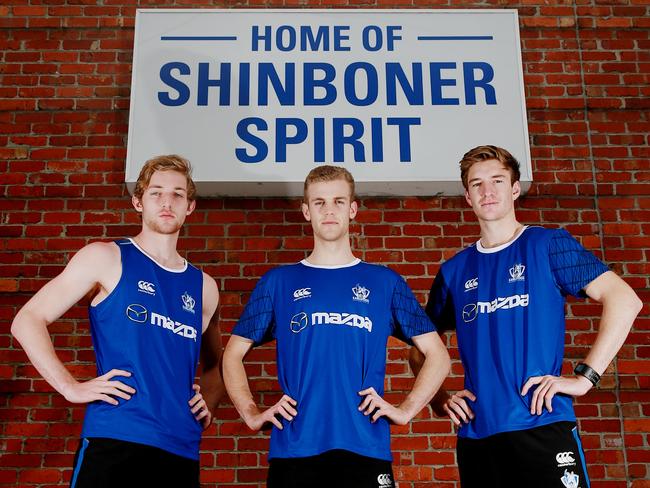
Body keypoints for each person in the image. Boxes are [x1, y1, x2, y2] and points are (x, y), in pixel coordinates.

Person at [410, 145, 642, 488]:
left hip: (542, 426)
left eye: (497, 181)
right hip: (479, 438)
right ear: (467, 197)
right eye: (477, 184)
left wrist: (584, 378)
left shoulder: (547, 245)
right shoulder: (454, 272)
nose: (488, 191)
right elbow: (419, 351)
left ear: (515, 188)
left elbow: (624, 299)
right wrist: (441, 399)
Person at [223, 165, 450, 488]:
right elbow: (231, 356)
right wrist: (250, 412)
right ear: (306, 211)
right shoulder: (278, 282)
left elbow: (438, 356)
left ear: (352, 209)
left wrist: (405, 410)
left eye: (338, 201)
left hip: (366, 446)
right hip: (295, 449)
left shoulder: (385, 282)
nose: (329, 210)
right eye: (319, 202)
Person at [11, 155, 224, 488]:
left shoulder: (204, 287)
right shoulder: (105, 257)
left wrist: (207, 404)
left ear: (190, 206)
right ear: (138, 201)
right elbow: (27, 319)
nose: (167, 202)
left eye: (178, 194)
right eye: (156, 193)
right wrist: (70, 387)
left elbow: (217, 364)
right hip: (115, 437)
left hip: (180, 447)